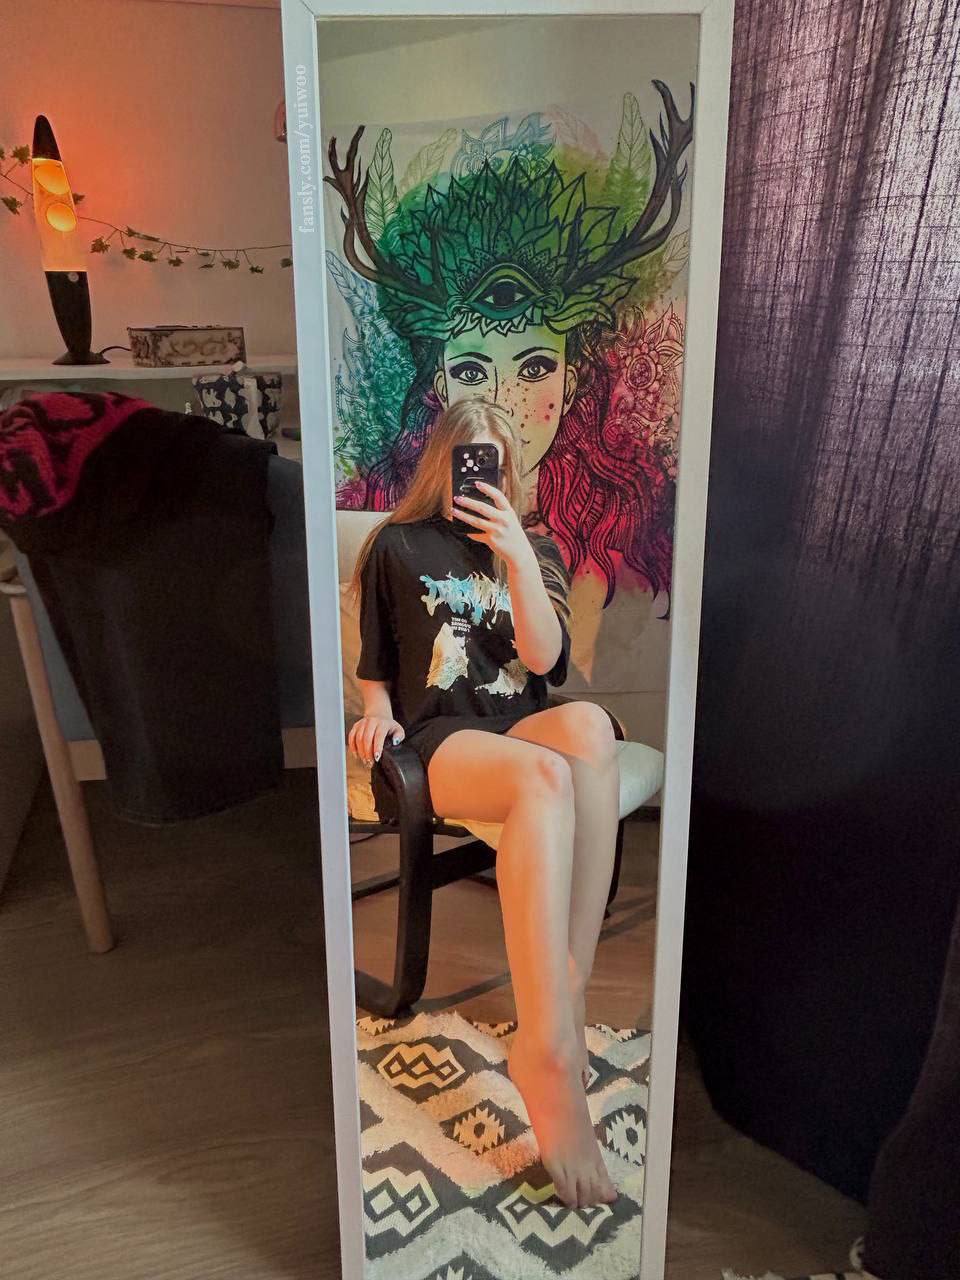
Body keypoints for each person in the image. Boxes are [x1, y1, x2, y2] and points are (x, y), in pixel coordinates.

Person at [348, 397, 621, 1210]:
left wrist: (515, 558)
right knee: (545, 777)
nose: (481, 476)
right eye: (468, 459)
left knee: (590, 729)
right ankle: (546, 1053)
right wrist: (375, 715)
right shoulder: (395, 545)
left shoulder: (533, 548)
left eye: (495, 462)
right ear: (443, 462)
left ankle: (566, 992)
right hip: (442, 734)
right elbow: (375, 670)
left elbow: (545, 660)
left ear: (510, 471)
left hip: (518, 719)